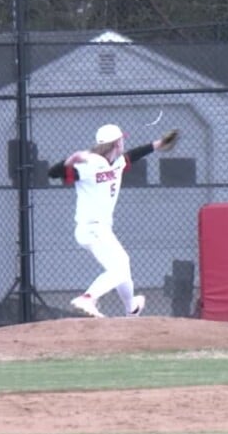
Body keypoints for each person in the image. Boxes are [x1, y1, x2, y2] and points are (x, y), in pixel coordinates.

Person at [47, 123, 179, 318]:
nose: (124, 142)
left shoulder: (117, 162)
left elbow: (133, 155)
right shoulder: (90, 163)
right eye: (121, 139)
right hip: (91, 228)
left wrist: (157, 144)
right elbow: (53, 173)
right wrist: (68, 161)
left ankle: (132, 308)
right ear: (117, 143)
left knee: (121, 268)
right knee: (120, 265)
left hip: (99, 230)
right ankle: (88, 298)